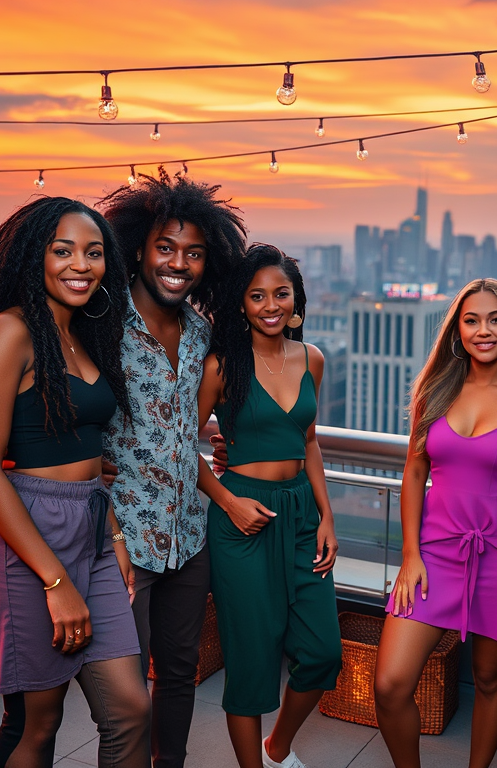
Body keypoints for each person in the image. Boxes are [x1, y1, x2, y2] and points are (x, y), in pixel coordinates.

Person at [0, 197, 150, 768]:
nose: (80, 265)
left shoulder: (86, 333)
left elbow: (90, 453)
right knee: (36, 725)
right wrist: (55, 581)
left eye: (93, 253)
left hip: (91, 524)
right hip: (28, 538)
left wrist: (113, 536)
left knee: (130, 710)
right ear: (33, 255)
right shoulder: (10, 330)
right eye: (62, 250)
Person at [374, 279, 497, 768]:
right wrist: (410, 555)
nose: (484, 330)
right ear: (457, 329)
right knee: (390, 684)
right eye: (472, 320)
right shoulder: (435, 390)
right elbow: (414, 472)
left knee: (491, 678)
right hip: (433, 553)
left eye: (496, 319)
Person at [95, 171, 246, 768]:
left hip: (189, 534)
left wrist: (220, 446)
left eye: (193, 253)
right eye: (166, 247)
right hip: (121, 537)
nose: (178, 263)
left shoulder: (202, 332)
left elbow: (189, 425)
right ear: (137, 248)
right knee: (125, 693)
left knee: (180, 674)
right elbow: (40, 372)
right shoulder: (102, 322)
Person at [197, 244, 341, 768]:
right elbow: (177, 445)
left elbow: (309, 442)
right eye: (257, 296)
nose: (270, 304)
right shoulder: (221, 365)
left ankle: (277, 747)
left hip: (302, 514)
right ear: (242, 304)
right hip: (241, 519)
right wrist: (229, 501)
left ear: (296, 300)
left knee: (324, 652)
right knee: (252, 661)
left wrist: (327, 516)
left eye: (280, 293)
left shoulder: (313, 359)